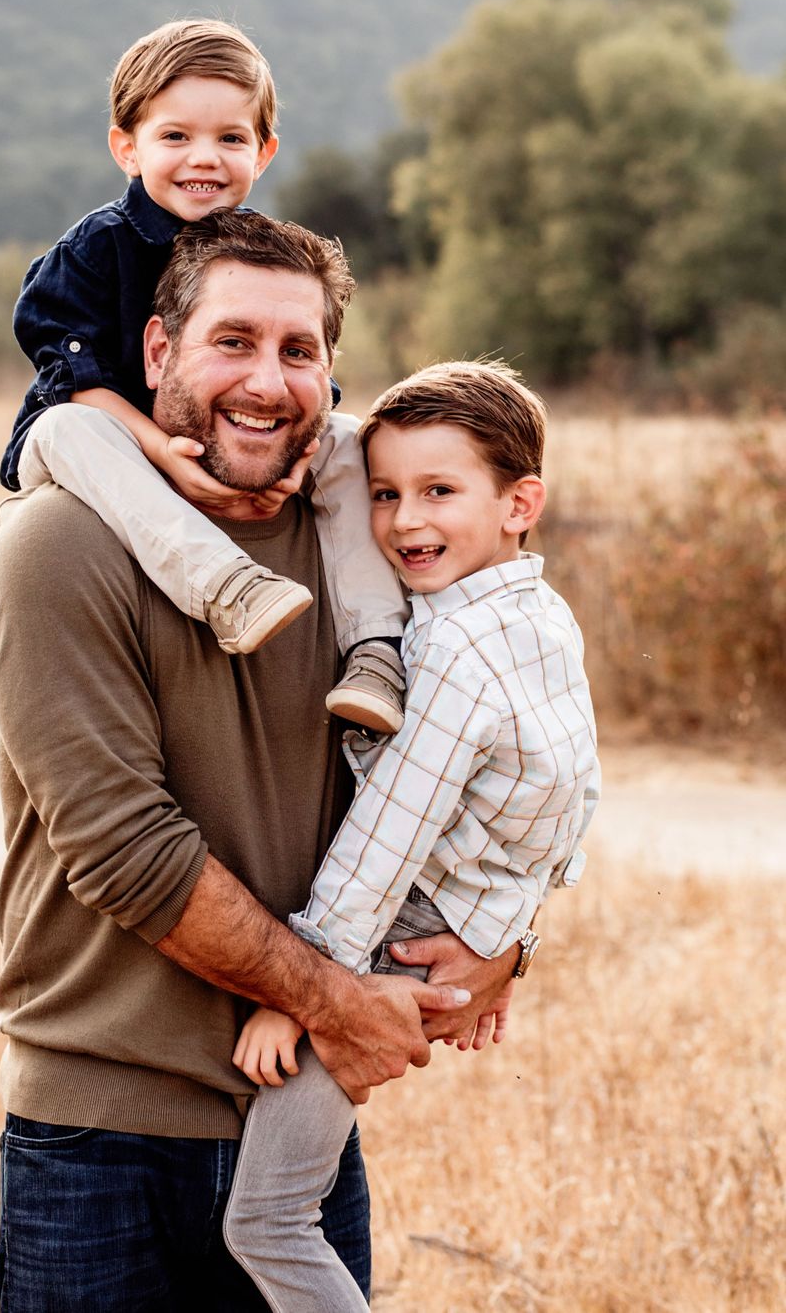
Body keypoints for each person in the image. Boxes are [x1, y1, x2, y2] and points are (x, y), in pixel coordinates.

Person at [0, 213, 522, 1310]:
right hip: (102, 1142)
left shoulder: (373, 547)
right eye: (233, 341)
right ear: (157, 351)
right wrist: (338, 1002)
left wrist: (506, 942)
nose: (267, 382)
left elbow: (494, 755)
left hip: (297, 1136)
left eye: (298, 350)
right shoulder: (61, 544)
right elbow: (128, 854)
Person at [222, 359, 600, 1313]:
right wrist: (501, 926)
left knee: (267, 1220)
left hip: (380, 935)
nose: (401, 521)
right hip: (451, 923)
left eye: (439, 491)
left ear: (520, 504)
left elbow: (387, 837)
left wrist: (295, 995)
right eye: (385, 493)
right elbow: (573, 798)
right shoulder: (541, 618)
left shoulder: (454, 652)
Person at [0, 17, 407, 733]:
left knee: (345, 439)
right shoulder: (96, 248)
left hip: (210, 436)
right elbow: (70, 372)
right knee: (67, 425)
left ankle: (377, 649)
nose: (205, 159)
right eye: (175, 136)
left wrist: (296, 458)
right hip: (100, 439)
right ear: (127, 148)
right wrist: (162, 451)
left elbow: (301, 377)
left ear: (265, 152)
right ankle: (226, 588)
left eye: (231, 139)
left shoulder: (263, 253)